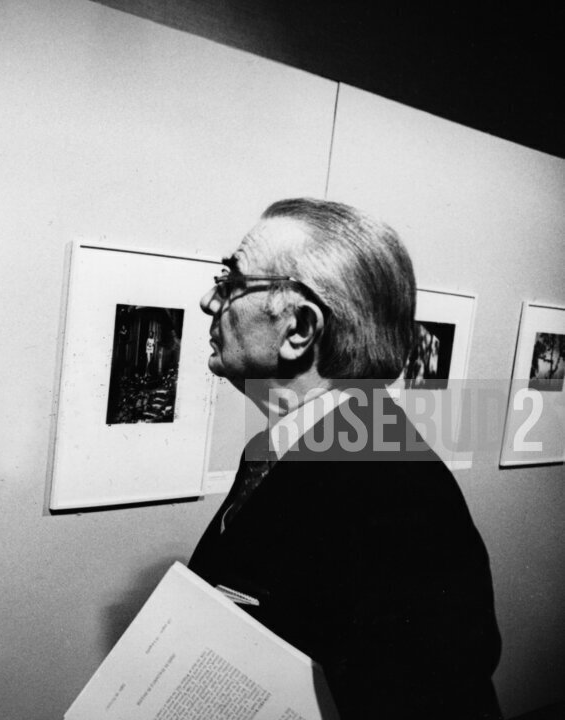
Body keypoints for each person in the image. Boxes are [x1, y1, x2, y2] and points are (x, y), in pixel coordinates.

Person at [188, 199, 501, 719]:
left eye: (231, 281)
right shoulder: (276, 449)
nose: (207, 300)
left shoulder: (399, 497)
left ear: (299, 329)